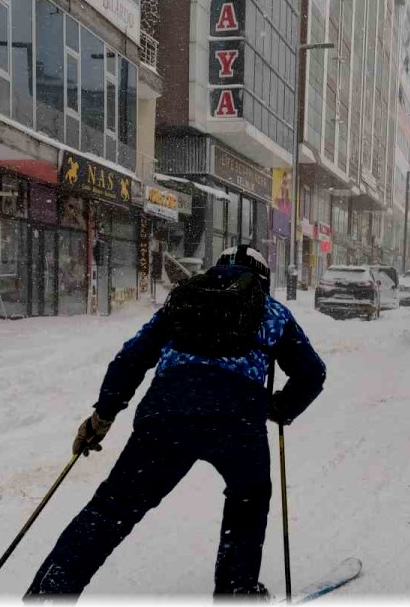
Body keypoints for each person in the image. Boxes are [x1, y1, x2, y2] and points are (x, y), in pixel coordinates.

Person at [25, 245, 326, 601]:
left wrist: (102, 416)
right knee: (249, 498)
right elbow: (312, 373)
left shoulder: (181, 301)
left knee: (112, 508)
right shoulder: (272, 311)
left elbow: (132, 357)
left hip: (167, 414)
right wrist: (279, 408)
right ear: (262, 276)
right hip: (237, 422)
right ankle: (236, 589)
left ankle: (51, 590)